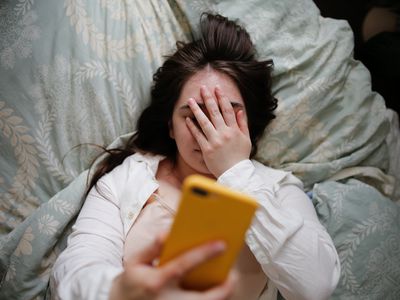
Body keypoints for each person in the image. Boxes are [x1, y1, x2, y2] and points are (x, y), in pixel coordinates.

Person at [51, 13, 340, 300]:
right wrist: (119, 289)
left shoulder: (280, 188)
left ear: (249, 127)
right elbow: (74, 271)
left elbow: (316, 286)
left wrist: (235, 171)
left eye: (227, 115)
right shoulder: (125, 180)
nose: (210, 130)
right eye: (194, 115)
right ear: (171, 126)